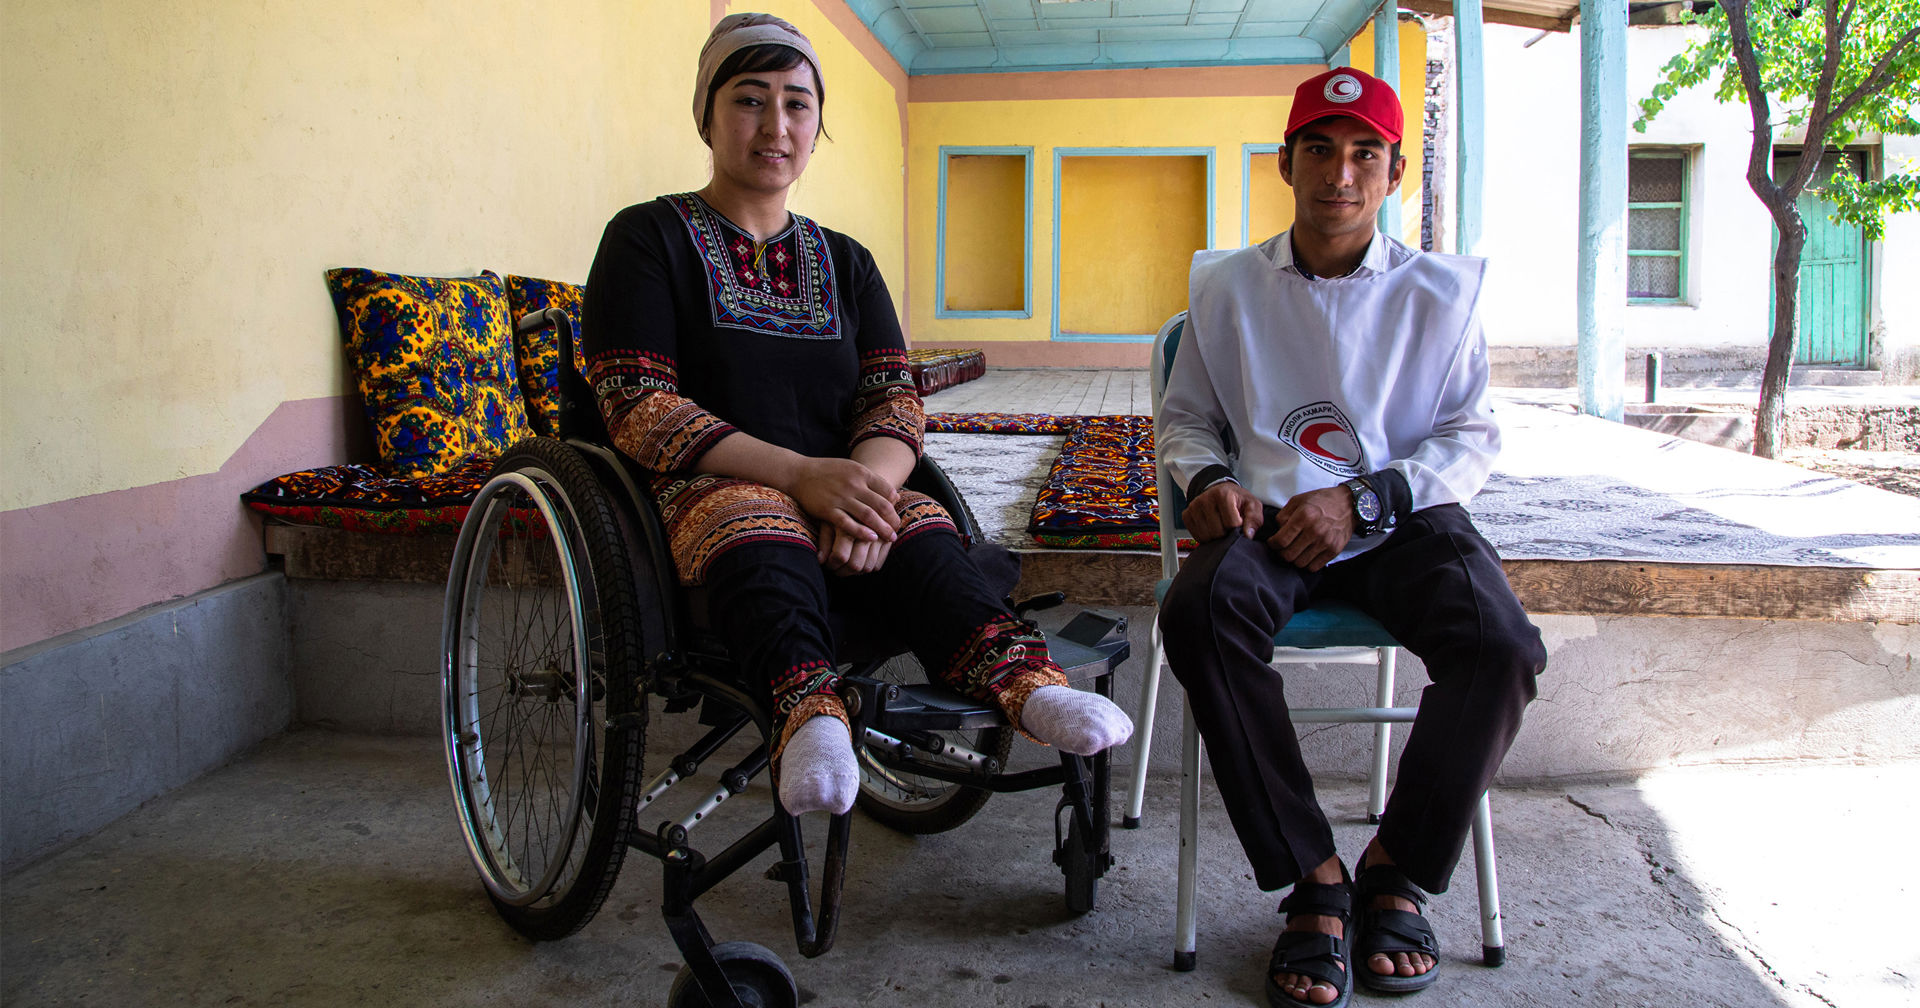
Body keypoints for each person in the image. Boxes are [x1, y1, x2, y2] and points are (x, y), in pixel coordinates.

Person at [581, 13, 1132, 819]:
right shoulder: (647, 238)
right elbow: (639, 407)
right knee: (755, 525)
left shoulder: (845, 259)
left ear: (817, 125)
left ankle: (1024, 681)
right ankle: (809, 716)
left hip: (845, 482)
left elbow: (891, 395)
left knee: (925, 527)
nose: (776, 126)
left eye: (798, 105)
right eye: (749, 100)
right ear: (706, 115)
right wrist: (805, 479)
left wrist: (867, 497)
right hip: (715, 486)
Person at [1155, 67, 1547, 1007]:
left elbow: (1469, 436)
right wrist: (1208, 482)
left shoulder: (1438, 295)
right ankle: (1312, 878)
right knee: (1201, 611)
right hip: (1271, 520)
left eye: (1365, 152)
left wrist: (1366, 502)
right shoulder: (1227, 288)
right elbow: (1187, 419)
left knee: (1501, 646)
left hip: (1405, 522)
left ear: (1395, 171)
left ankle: (1396, 869)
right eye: (1320, 150)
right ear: (1286, 162)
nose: (1341, 173)